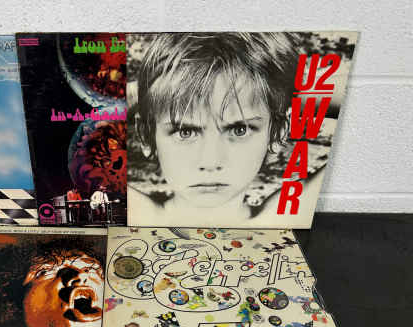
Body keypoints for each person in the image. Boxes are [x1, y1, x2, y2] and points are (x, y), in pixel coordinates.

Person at [129, 32, 324, 227]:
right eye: (185, 132)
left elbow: (344, 98)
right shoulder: (135, 214)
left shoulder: (280, 219)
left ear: (277, 133)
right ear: (146, 136)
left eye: (239, 130)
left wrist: (278, 93)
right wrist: (151, 92)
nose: (210, 162)